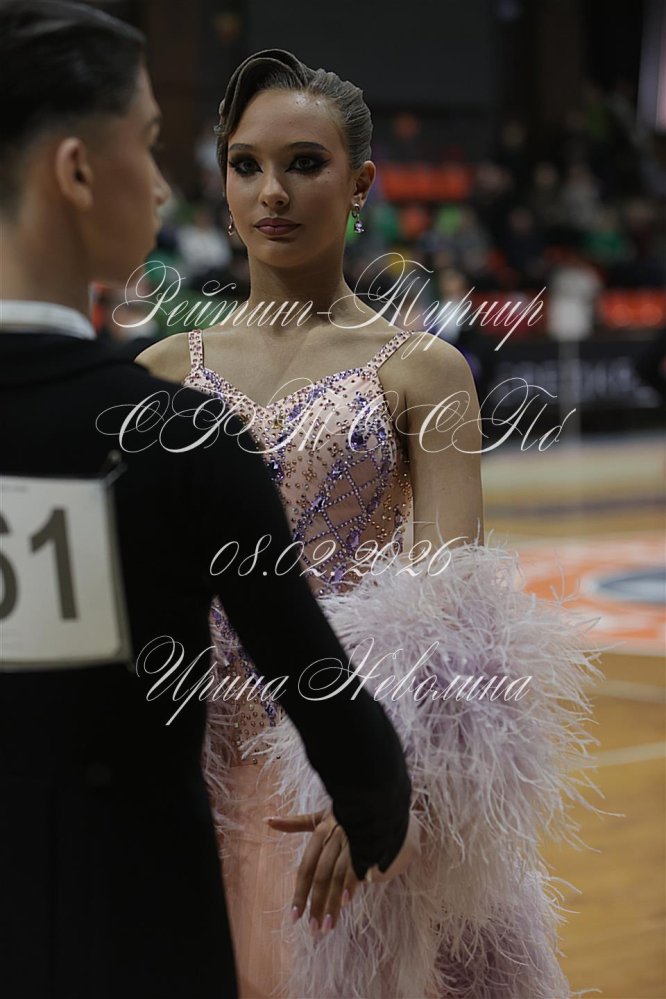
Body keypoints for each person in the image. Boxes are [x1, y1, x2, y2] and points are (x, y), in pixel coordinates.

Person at [138, 49, 603, 999]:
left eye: (304, 163)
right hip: (188, 793)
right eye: (245, 165)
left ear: (360, 185)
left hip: (347, 792)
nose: (271, 191)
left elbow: (455, 612)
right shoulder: (160, 371)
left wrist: (378, 783)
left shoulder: (422, 369)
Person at [0, 8, 414, 998]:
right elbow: (332, 710)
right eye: (149, 144)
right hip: (144, 914)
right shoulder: (180, 430)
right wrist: (374, 795)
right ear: (77, 170)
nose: (163, 183)